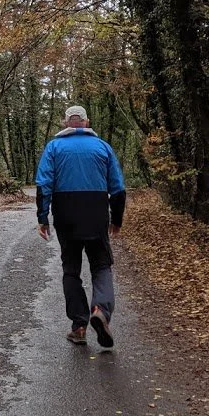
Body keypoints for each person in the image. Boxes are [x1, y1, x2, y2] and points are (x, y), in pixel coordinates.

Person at [35, 104, 126, 347]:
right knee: (101, 265)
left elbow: (44, 186)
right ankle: (100, 311)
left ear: (66, 123)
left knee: (71, 270)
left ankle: (79, 326)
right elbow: (118, 188)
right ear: (86, 122)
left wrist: (42, 218)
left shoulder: (54, 147)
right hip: (96, 215)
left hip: (66, 215)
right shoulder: (102, 147)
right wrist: (116, 219)